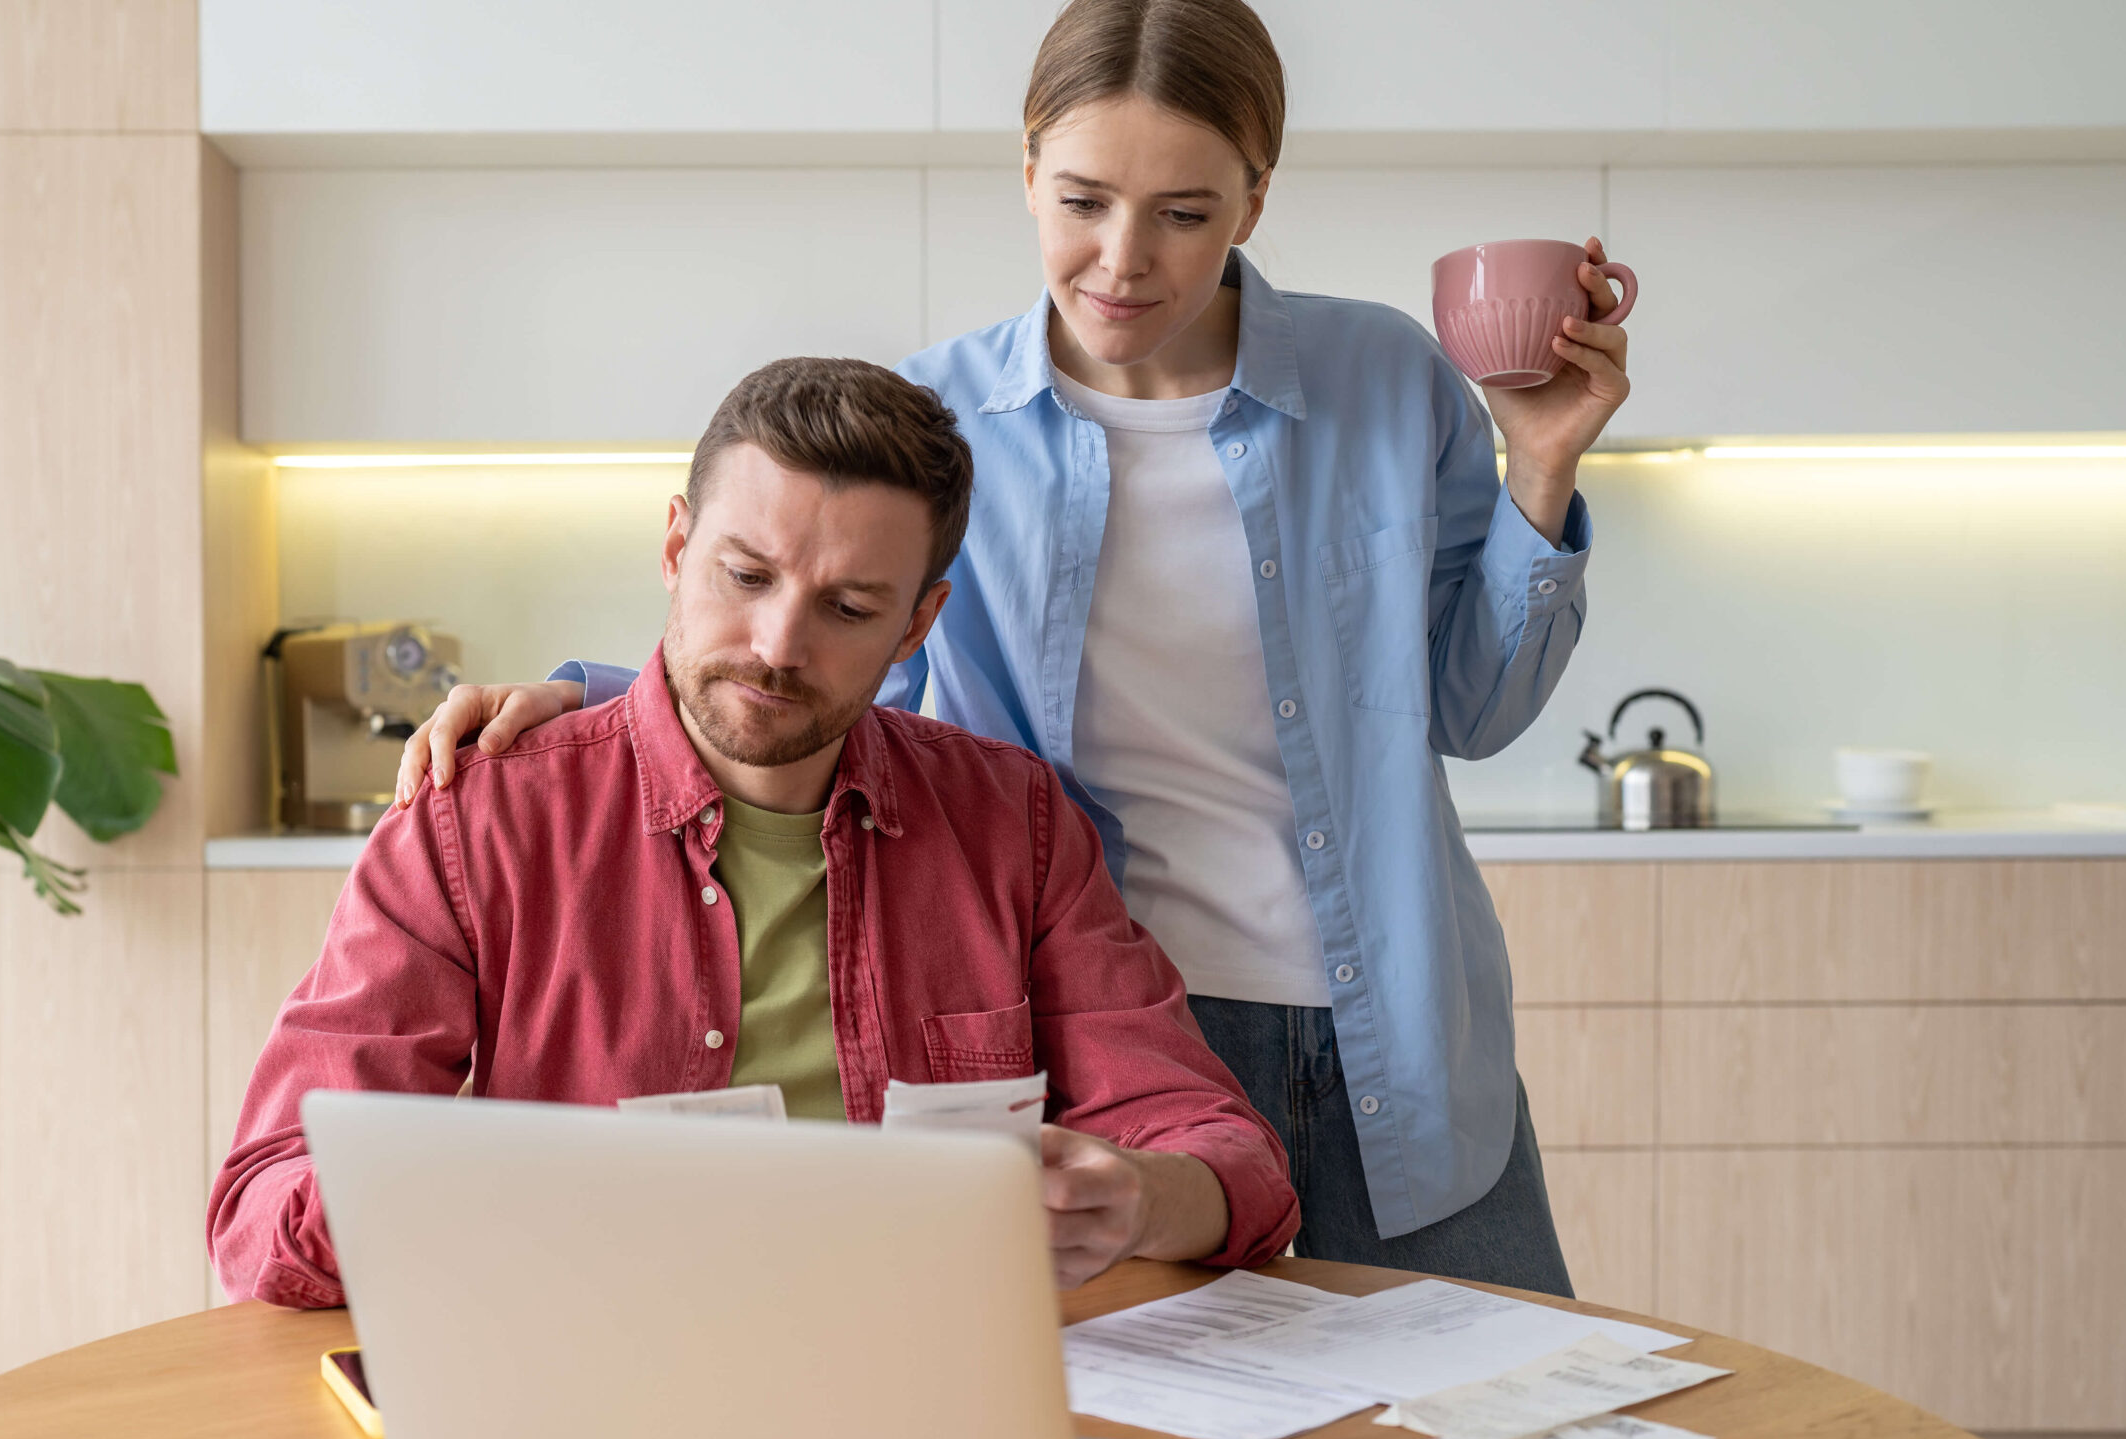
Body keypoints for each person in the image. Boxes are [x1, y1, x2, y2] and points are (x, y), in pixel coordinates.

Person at [396, 0, 1630, 1296]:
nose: (1123, 259)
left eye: (1186, 213)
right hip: (1117, 1029)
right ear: (1028, 166)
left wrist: (1538, 471)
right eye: (1085, 199)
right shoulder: (942, 422)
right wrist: (587, 701)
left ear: (1256, 199)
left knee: (1504, 1396)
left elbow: (1469, 707)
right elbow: (847, 653)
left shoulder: (1384, 376)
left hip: (1399, 1023)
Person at [211, 357, 1300, 1308]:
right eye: (746, 577)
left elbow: (1230, 1162)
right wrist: (498, 1184)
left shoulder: (1011, 823)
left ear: (917, 623)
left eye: (848, 608)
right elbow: (260, 1210)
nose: (778, 646)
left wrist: (1141, 1200)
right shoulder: (477, 818)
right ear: (676, 545)